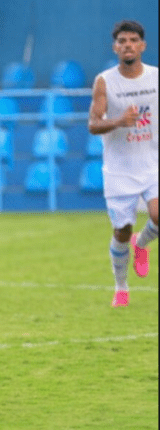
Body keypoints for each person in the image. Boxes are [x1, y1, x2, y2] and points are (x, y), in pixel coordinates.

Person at [88, 20, 158, 308]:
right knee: (121, 231)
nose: (127, 45)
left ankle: (141, 244)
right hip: (119, 169)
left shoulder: (155, 77)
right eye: (122, 41)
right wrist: (119, 121)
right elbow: (93, 124)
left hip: (153, 162)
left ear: (142, 46)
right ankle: (121, 287)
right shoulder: (105, 81)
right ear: (115, 47)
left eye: (133, 40)